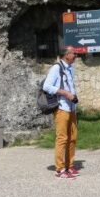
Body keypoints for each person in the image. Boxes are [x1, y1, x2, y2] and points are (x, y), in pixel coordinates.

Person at [42, 46, 79, 179]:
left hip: (71, 108)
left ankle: (70, 165)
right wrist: (64, 93)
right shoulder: (56, 68)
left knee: (73, 137)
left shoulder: (70, 68)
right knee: (62, 138)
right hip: (62, 108)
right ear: (66, 55)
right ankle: (60, 168)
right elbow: (46, 86)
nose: (76, 56)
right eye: (74, 54)